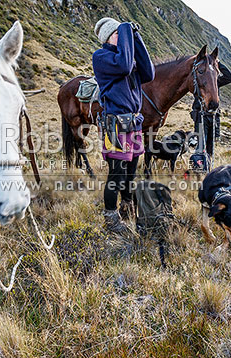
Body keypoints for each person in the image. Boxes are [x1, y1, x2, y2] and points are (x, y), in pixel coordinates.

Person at [92, 17, 155, 232]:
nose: (123, 37)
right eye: (119, 34)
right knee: (116, 174)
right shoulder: (101, 57)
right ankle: (111, 217)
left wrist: (135, 38)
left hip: (134, 123)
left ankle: (127, 205)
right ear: (109, 37)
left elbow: (149, 73)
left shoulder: (126, 58)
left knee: (131, 171)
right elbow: (125, 66)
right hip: (116, 125)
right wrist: (127, 28)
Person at [191, 62, 231, 160]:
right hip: (201, 115)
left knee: (211, 145)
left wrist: (217, 63)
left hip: (214, 116)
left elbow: (230, 77)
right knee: (201, 144)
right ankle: (198, 167)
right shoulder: (199, 80)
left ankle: (208, 166)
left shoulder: (216, 81)